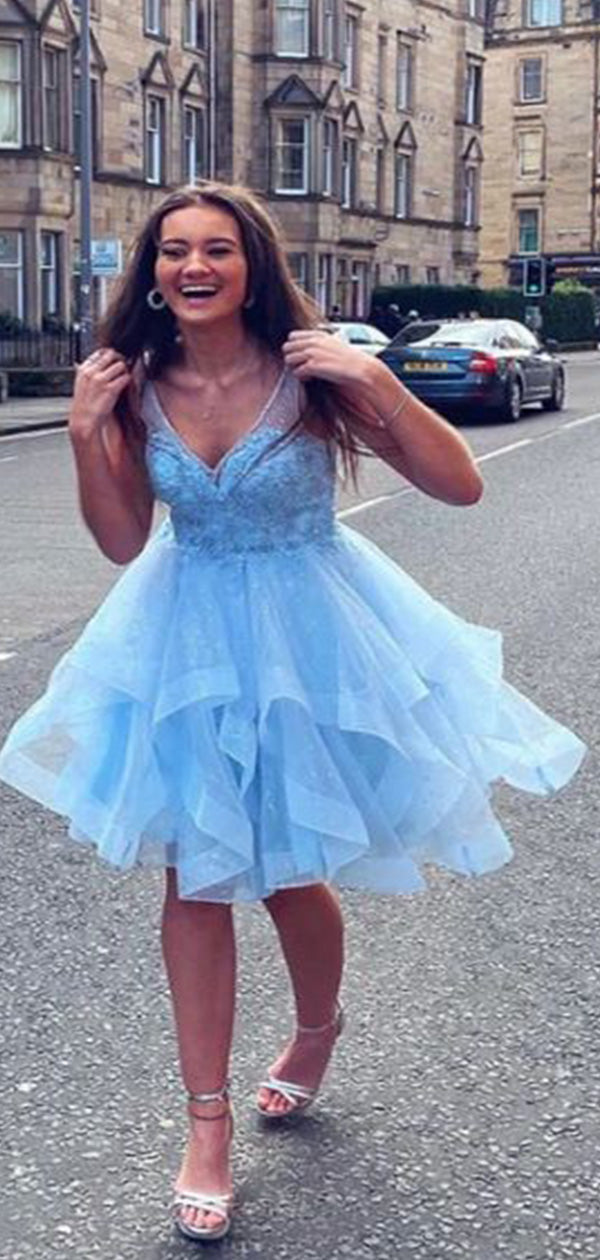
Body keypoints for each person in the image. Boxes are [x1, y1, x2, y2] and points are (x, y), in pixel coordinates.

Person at [0, 183, 585, 1244]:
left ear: (252, 265)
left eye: (217, 249)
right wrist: (87, 430)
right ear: (153, 272)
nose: (193, 266)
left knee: (287, 871)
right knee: (195, 871)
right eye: (174, 250)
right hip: (186, 641)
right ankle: (206, 1125)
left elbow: (460, 486)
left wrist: (375, 379)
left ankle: (316, 1030)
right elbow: (124, 541)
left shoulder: (315, 372)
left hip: (312, 638)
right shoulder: (134, 384)